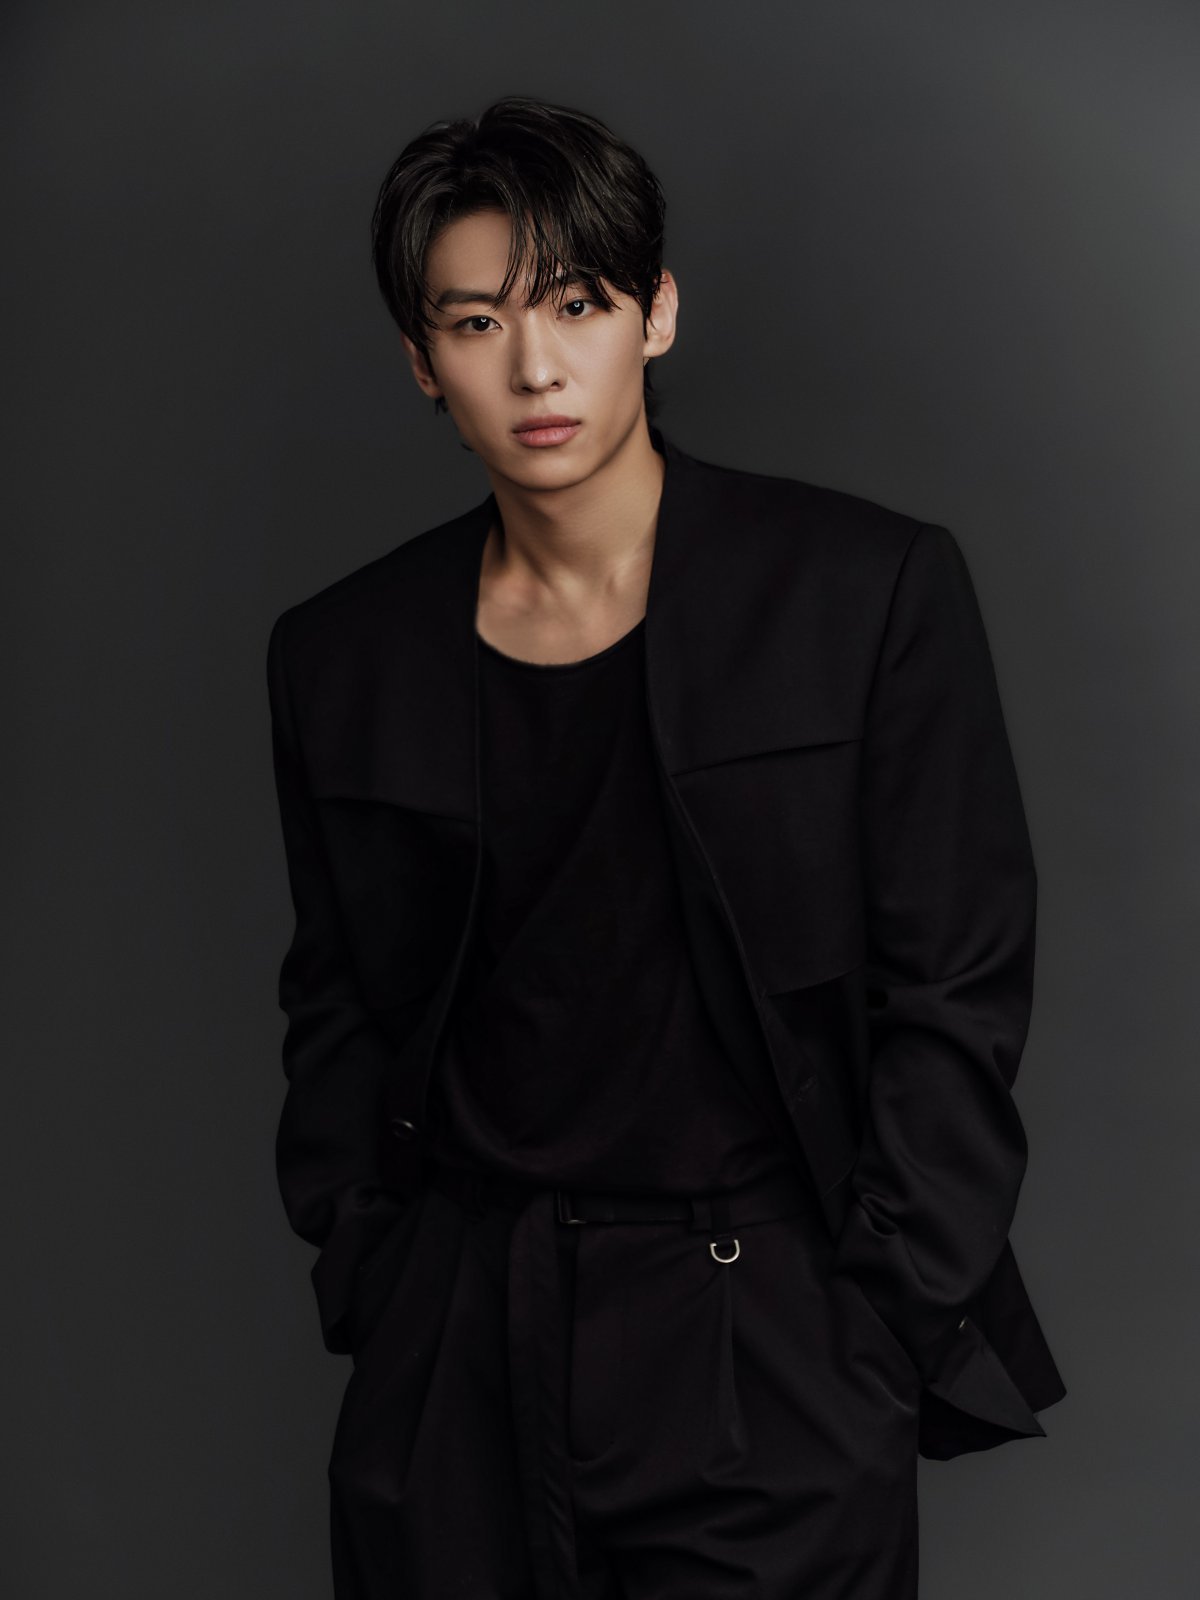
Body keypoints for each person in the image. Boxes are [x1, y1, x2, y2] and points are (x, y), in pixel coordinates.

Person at [266, 93, 1066, 1600]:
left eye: (578, 303)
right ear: (423, 362)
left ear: (660, 313)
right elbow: (338, 1007)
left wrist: (872, 1310)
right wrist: (378, 1272)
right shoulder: (343, 655)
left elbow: (958, 985)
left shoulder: (863, 592)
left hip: (764, 1337)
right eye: (478, 322)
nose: (535, 366)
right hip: (463, 1343)